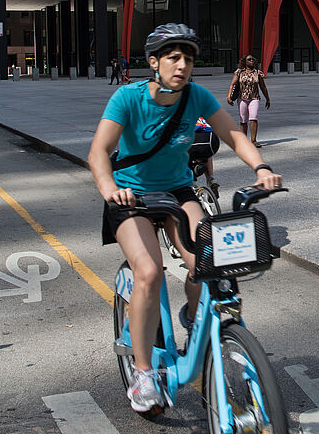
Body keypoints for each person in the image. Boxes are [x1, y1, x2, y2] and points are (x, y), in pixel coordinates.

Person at [88, 23, 282, 413]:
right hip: (131, 196)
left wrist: (261, 167)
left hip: (178, 192)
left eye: (188, 58)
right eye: (173, 58)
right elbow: (99, 151)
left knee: (209, 264)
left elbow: (234, 134)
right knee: (149, 271)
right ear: (154, 62)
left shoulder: (195, 96)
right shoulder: (127, 98)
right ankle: (143, 372)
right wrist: (110, 189)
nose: (182, 66)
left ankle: (195, 317)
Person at [227, 54, 271, 147]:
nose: (251, 60)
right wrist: (229, 97)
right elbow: (232, 84)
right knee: (243, 120)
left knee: (253, 117)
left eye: (253, 59)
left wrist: (267, 98)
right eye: (249, 59)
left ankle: (253, 140)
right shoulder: (239, 72)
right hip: (242, 98)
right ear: (245, 62)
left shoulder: (258, 73)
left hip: (254, 98)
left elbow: (263, 87)